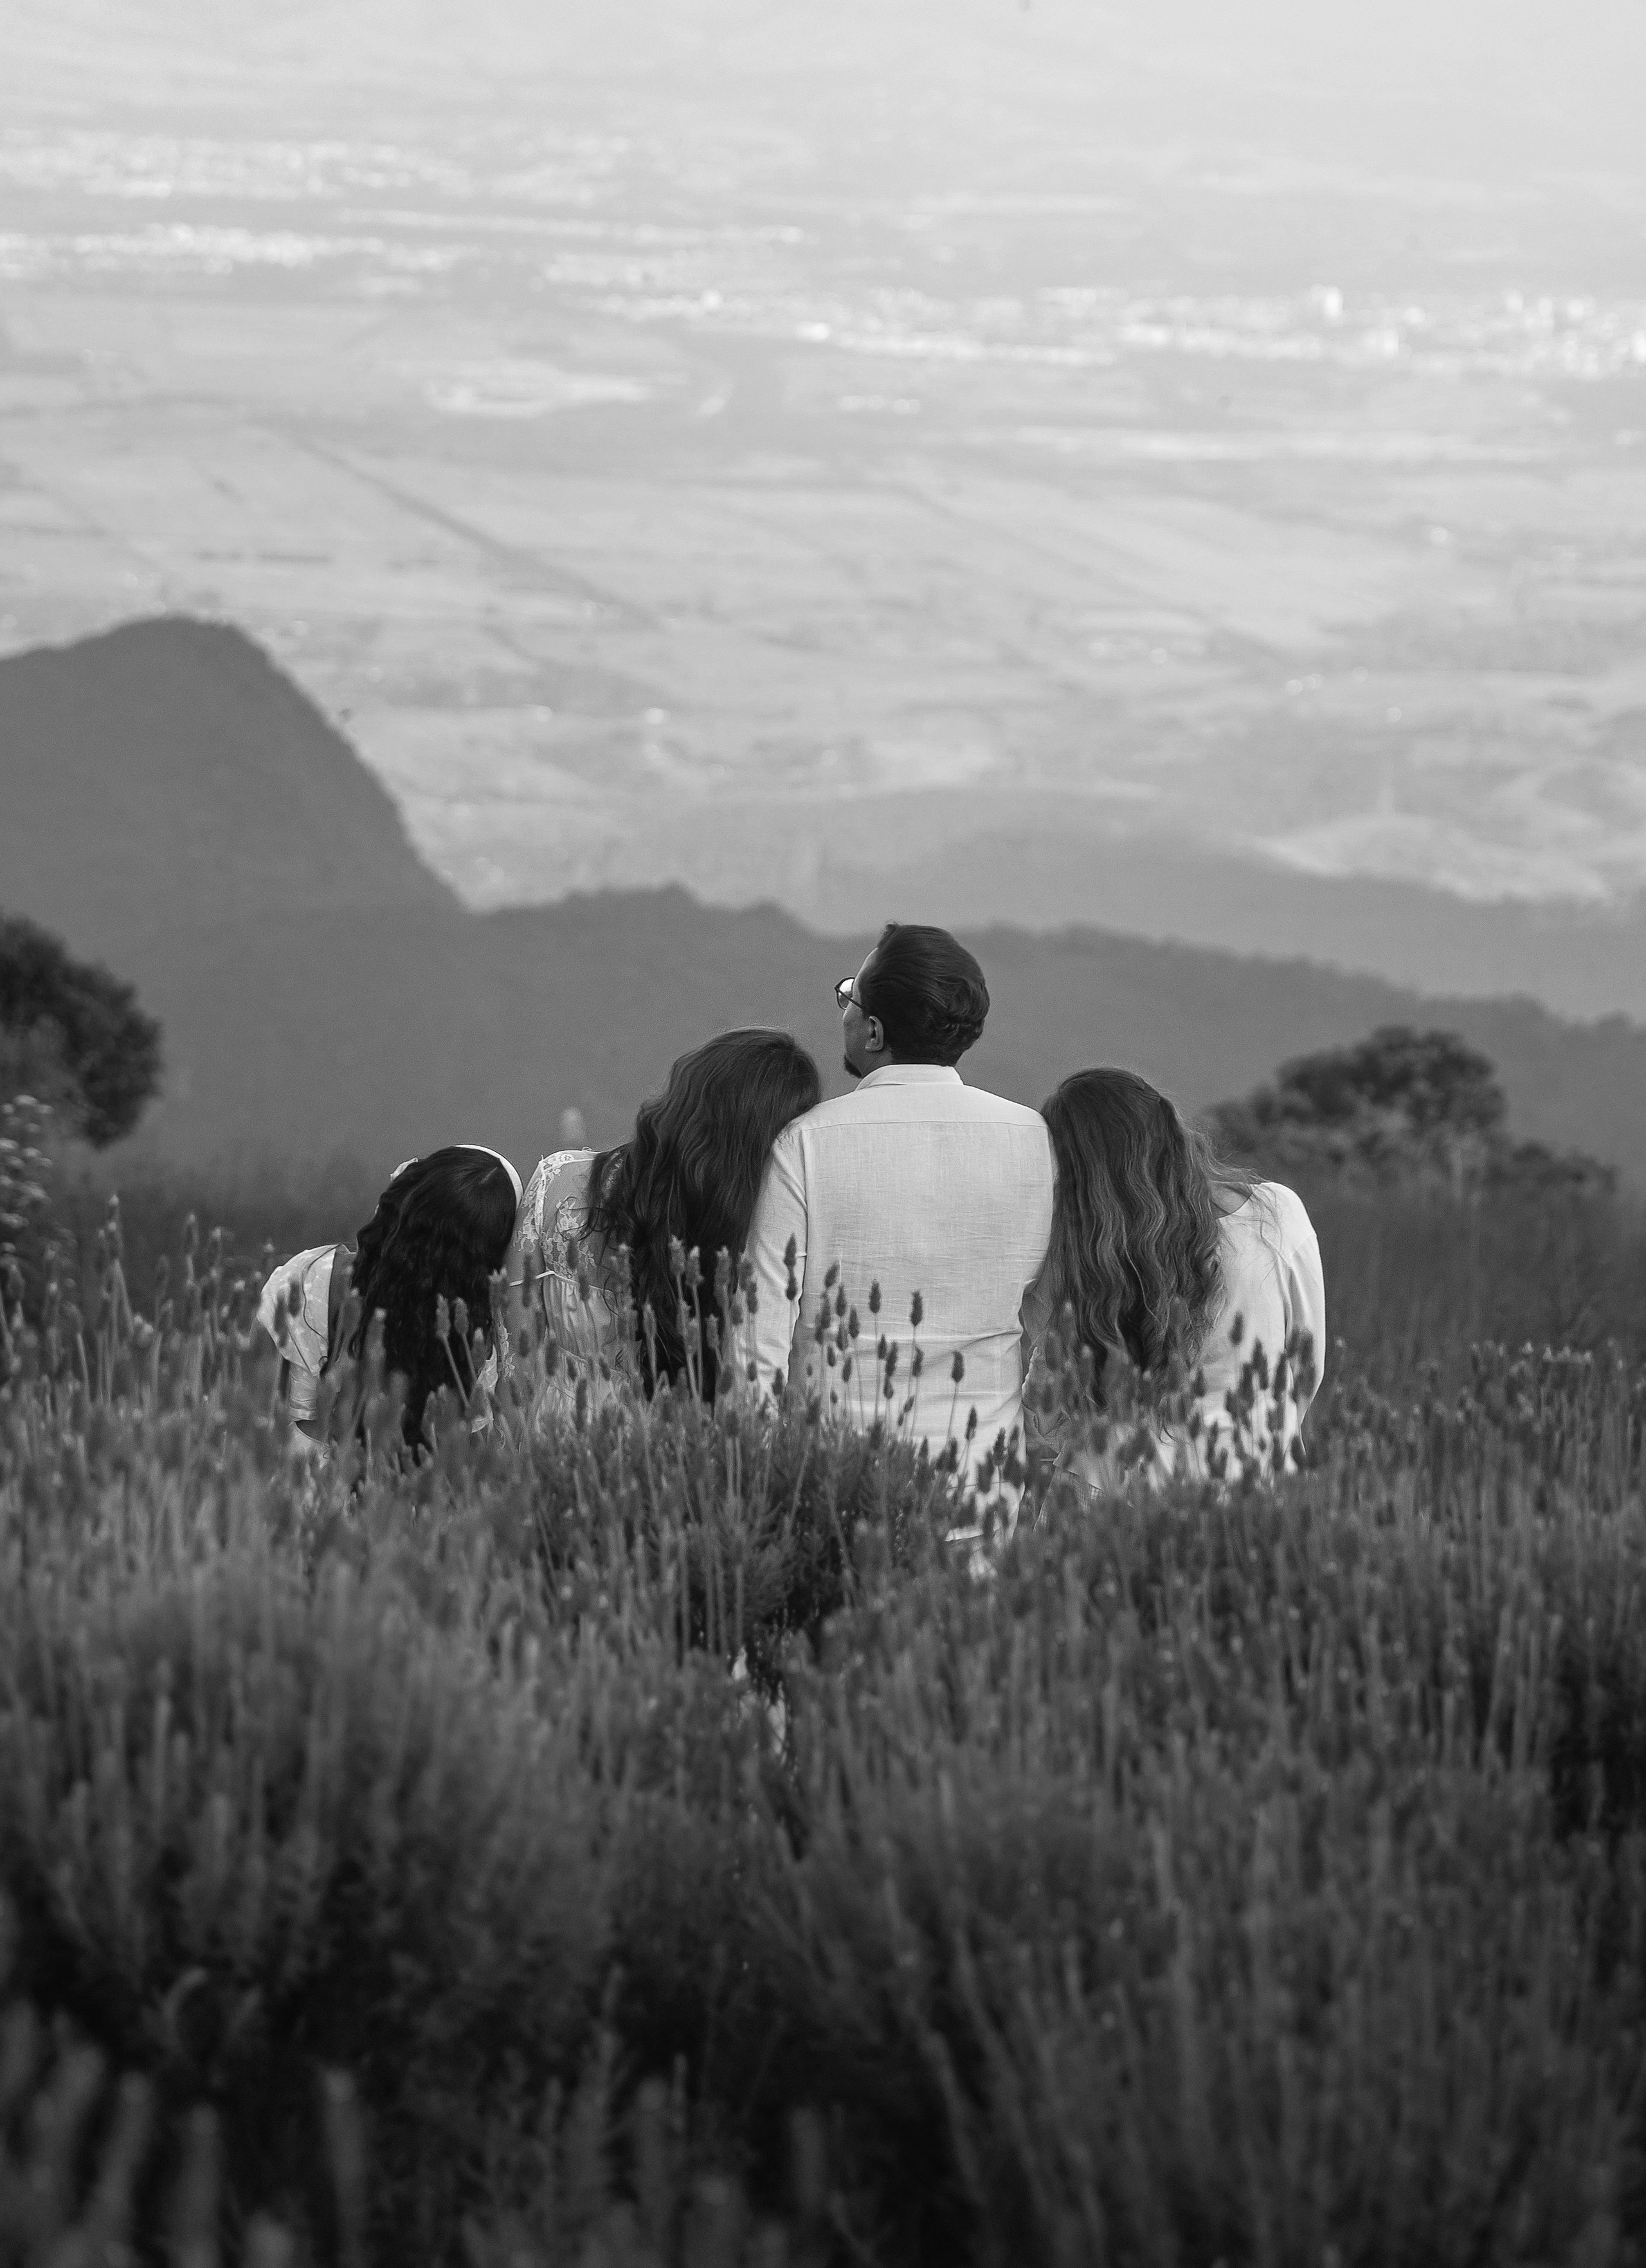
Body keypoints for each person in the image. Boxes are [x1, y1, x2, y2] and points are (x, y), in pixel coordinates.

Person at [746, 923, 1054, 1495]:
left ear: (874, 1030)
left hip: (833, 1490)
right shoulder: (1033, 1138)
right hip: (982, 1485)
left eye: (849, 999)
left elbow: (758, 1346)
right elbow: (1051, 1317)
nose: (843, 1011)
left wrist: (762, 1493)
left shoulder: (804, 1146)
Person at [1031, 1066, 1325, 1481]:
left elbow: (1045, 1407)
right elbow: (1305, 1366)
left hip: (1111, 1494)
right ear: (1171, 1132)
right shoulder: (1276, 1217)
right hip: (1253, 1484)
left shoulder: (1089, 1259)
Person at [508, 1028, 821, 1408]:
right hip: (679, 1455)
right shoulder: (764, 1243)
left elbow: (516, 1361)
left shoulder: (556, 1184)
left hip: (555, 1448)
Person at [256, 1145, 521, 1448]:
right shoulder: (477, 1340)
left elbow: (247, 1408)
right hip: (420, 1491)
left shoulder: (307, 1280)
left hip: (286, 1482)